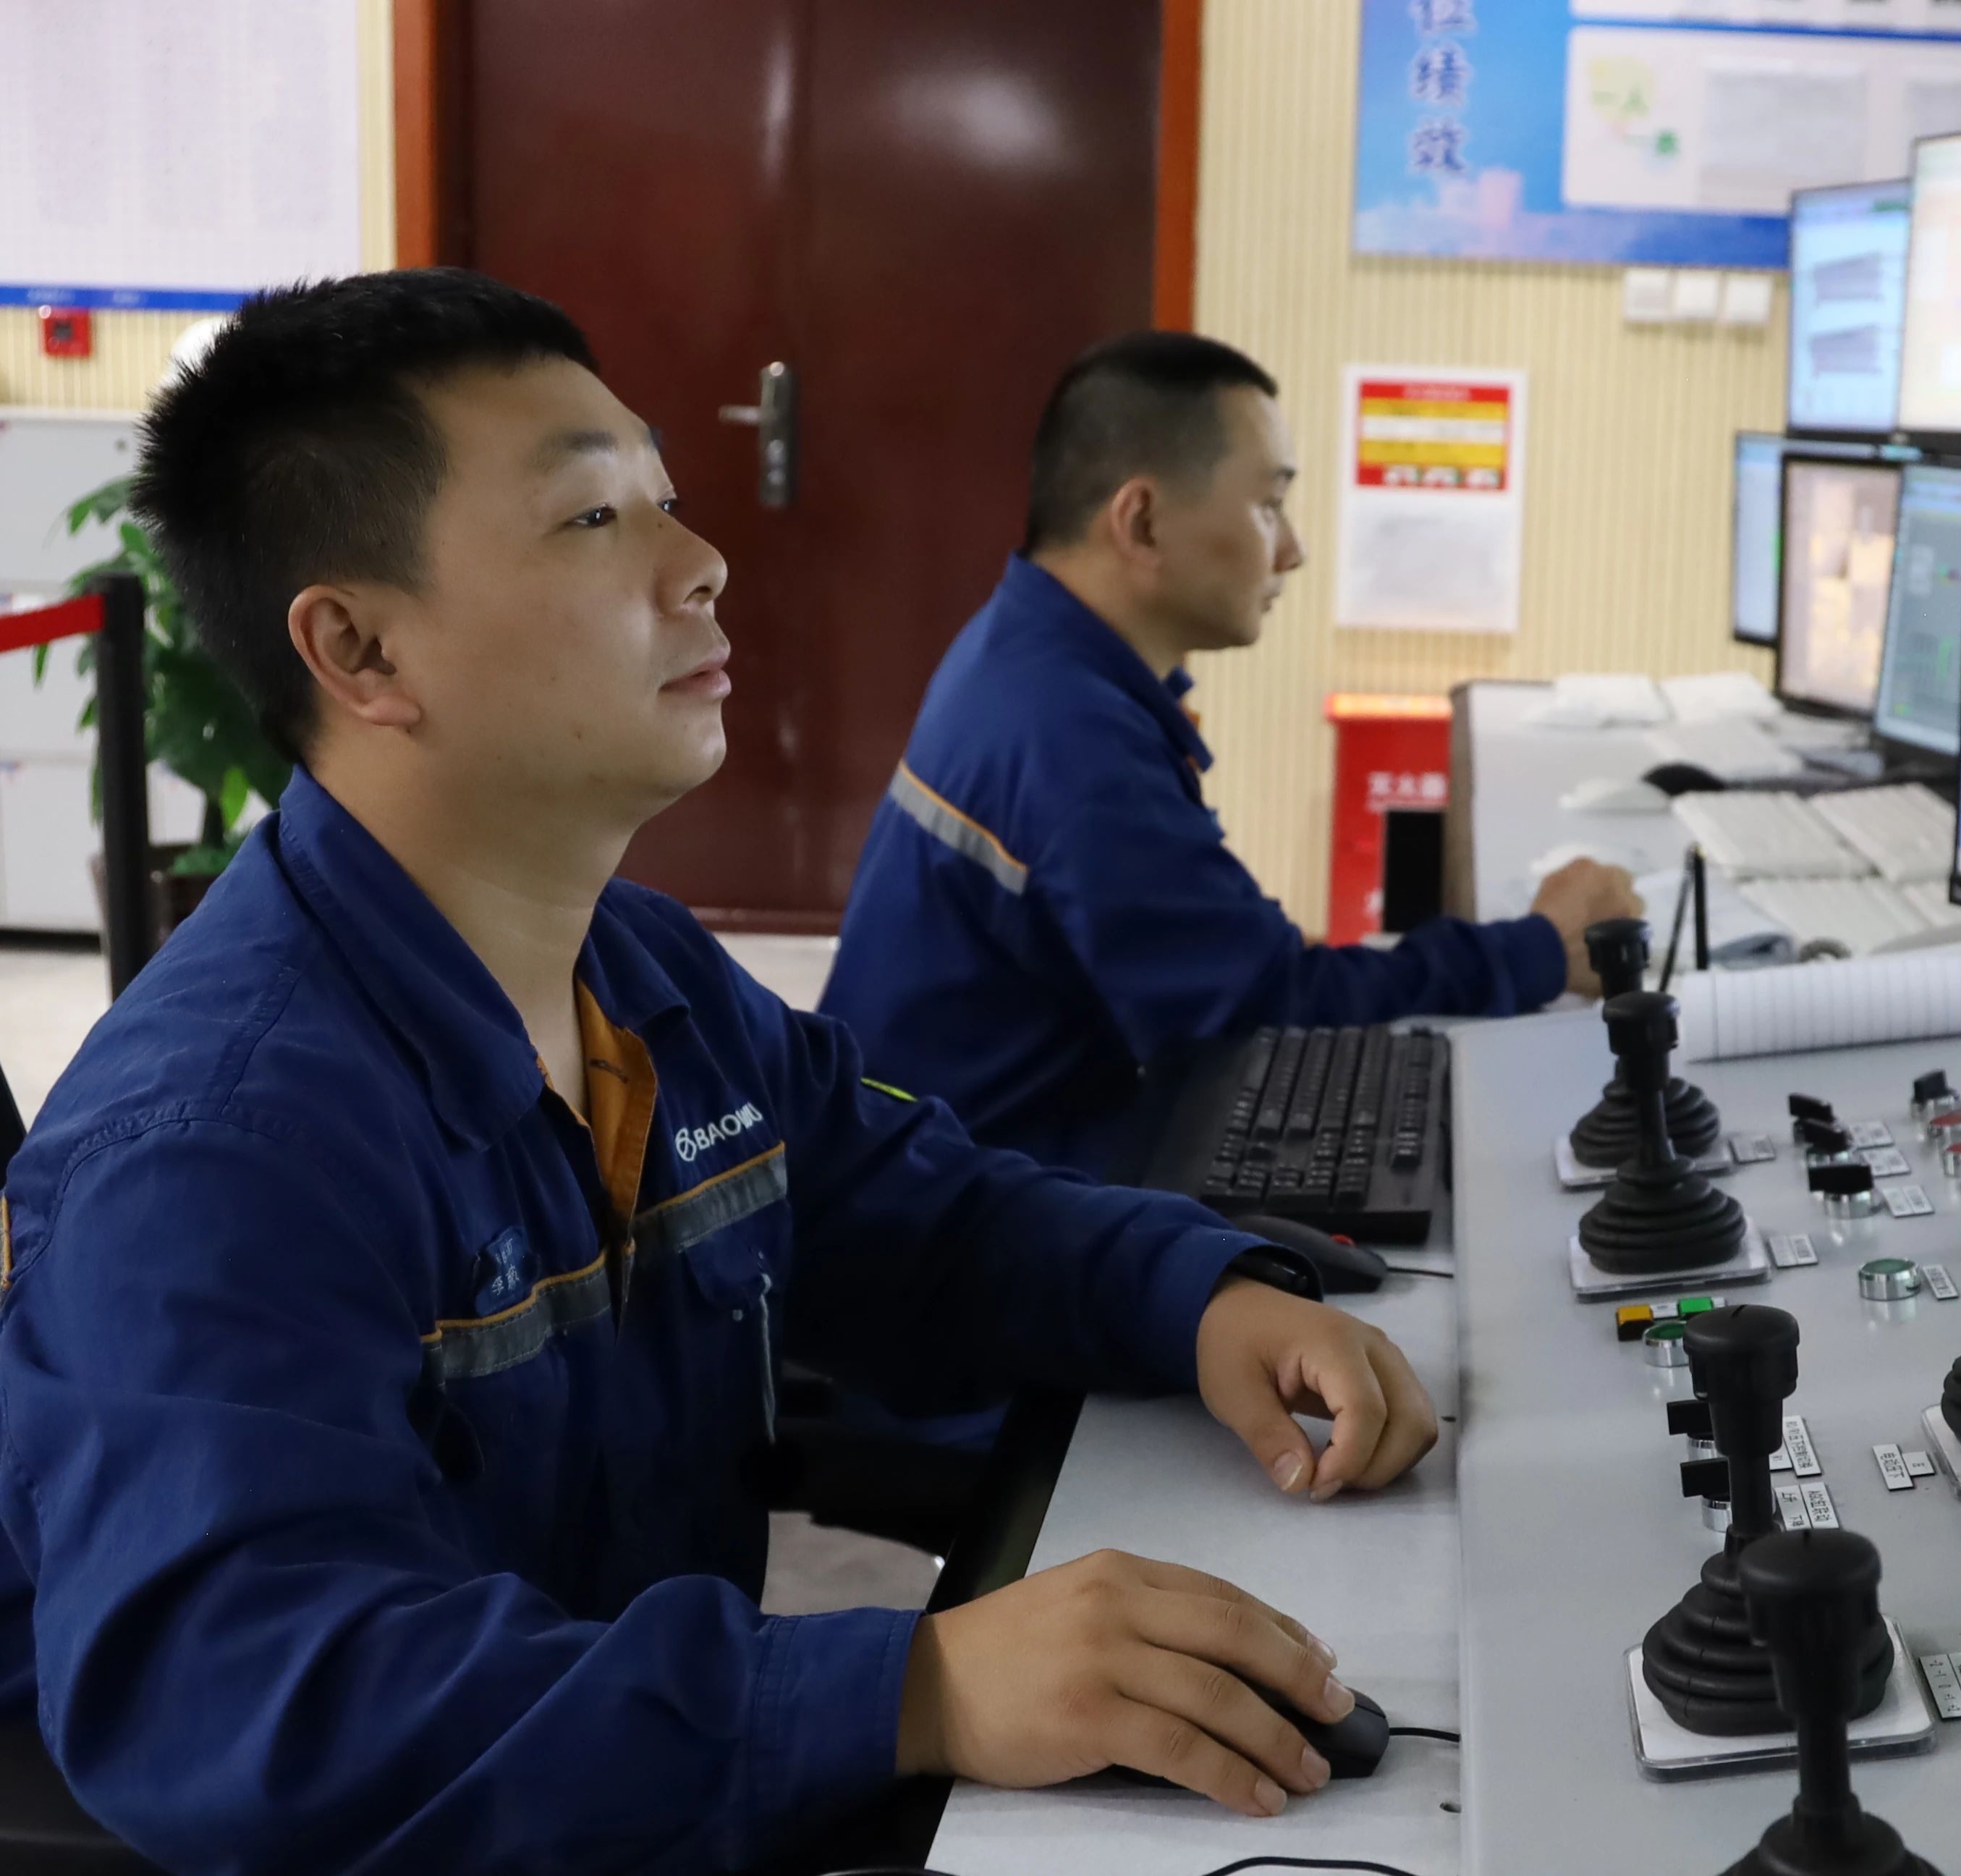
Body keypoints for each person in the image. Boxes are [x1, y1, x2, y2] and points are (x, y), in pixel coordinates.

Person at [0, 270, 1436, 1875]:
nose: (700, 563)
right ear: (360, 647)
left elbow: (915, 1210)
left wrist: (1198, 1293)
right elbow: (251, 1699)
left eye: (666, 500)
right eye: (590, 519)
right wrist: (913, 1687)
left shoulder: (637, 968)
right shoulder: (217, 1146)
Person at [821, 332, 1642, 1174]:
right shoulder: (1070, 735)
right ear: (1141, 521)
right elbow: (1260, 1011)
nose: (1292, 550)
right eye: (1268, 506)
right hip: (955, 1196)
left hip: (954, 1142)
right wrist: (1541, 949)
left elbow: (1225, 968)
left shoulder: (1026, 649)